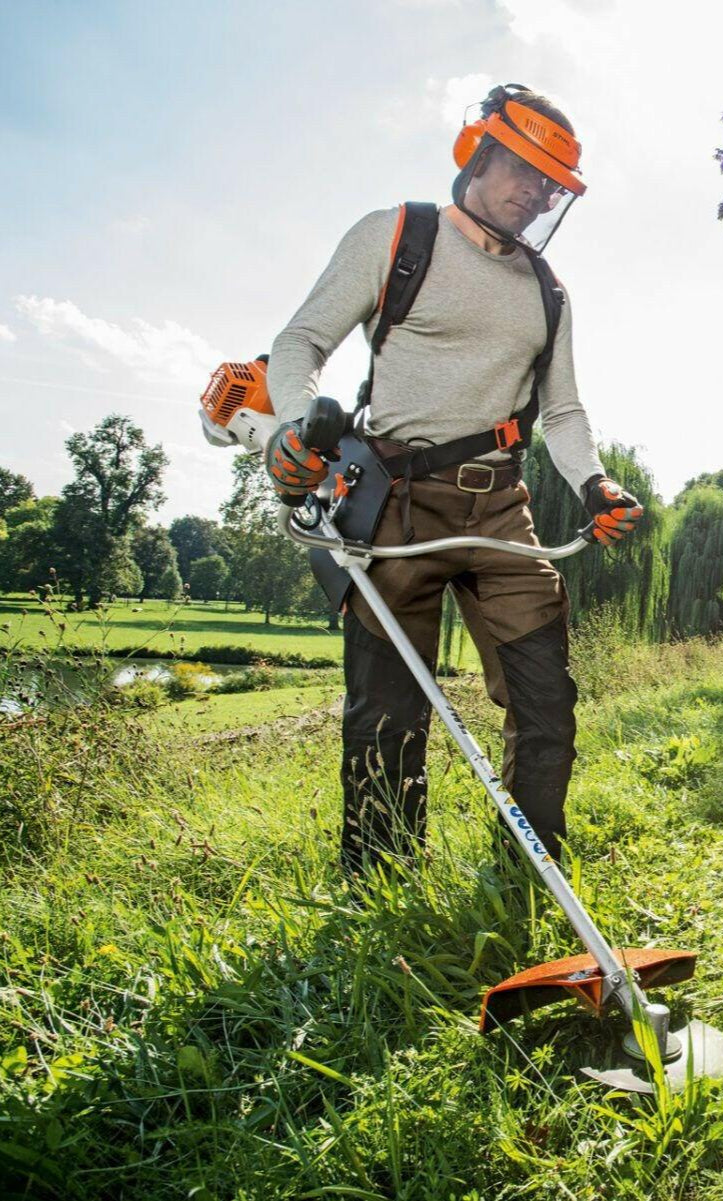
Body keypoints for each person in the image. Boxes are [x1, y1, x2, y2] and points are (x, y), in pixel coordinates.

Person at [262, 83, 644, 884]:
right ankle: (383, 891)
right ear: (477, 152)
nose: (535, 193)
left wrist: (596, 484)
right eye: (523, 170)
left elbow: (563, 411)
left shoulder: (548, 291)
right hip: (393, 501)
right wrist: (301, 426)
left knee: (547, 701)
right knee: (386, 718)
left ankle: (527, 881)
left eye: (549, 185)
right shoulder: (398, 236)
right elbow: (299, 343)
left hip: (501, 507)